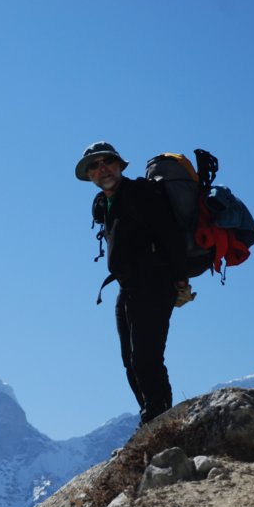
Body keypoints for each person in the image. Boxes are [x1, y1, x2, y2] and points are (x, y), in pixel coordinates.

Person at [76, 141, 193, 425]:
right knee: (130, 360)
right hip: (128, 287)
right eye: (94, 166)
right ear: (89, 175)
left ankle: (161, 420)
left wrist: (180, 281)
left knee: (146, 357)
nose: (102, 169)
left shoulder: (140, 192)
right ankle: (153, 418)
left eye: (107, 162)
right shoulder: (104, 204)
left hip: (154, 282)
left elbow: (169, 235)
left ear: (119, 165)